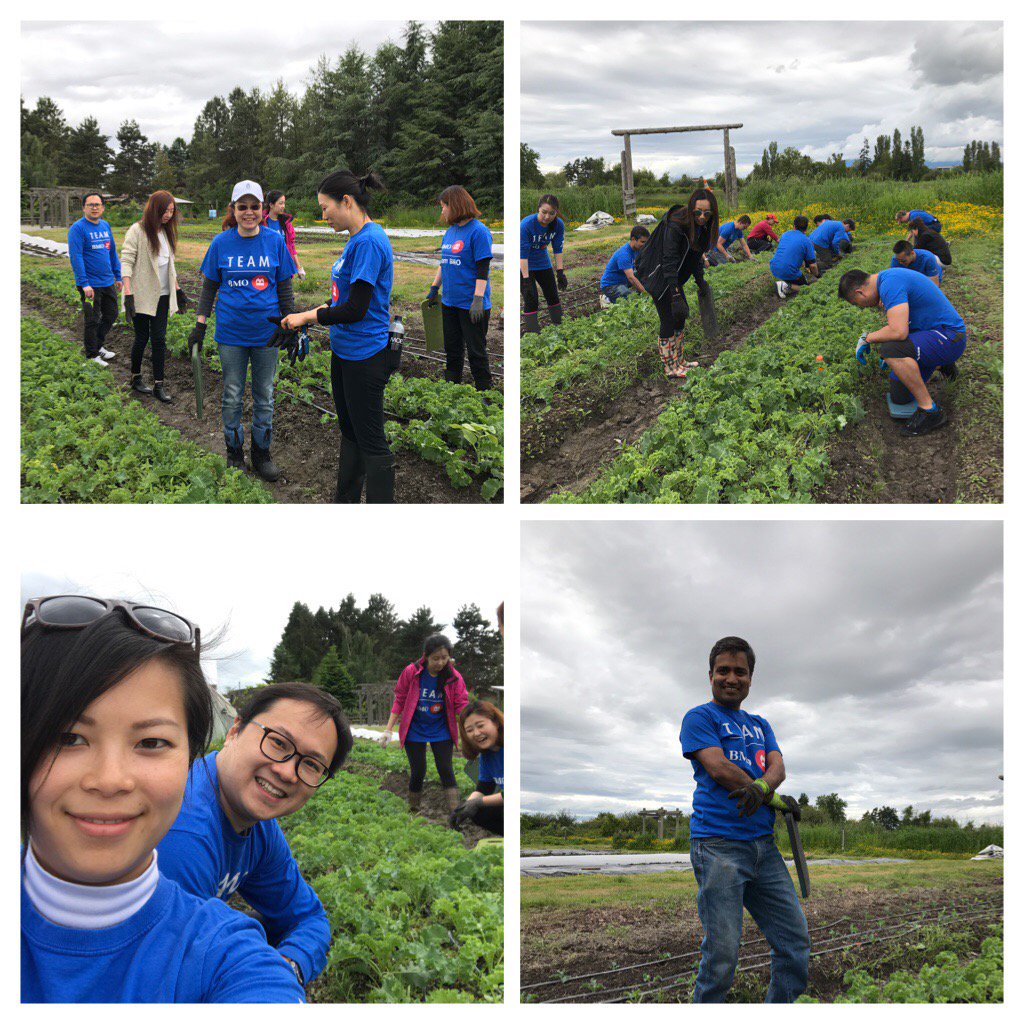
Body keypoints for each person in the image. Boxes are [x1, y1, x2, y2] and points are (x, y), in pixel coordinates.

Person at [21, 595, 304, 1003]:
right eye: (69, 738)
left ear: (190, 759)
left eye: (151, 742)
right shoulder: (192, 840)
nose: (110, 780)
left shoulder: (228, 959)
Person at [157, 682, 351, 992]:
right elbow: (171, 980)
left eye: (311, 765)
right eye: (278, 743)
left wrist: (289, 967)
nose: (287, 772)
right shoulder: (184, 831)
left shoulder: (258, 826)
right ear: (235, 731)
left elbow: (308, 918)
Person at [680, 636, 809, 1004]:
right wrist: (768, 793)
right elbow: (718, 767)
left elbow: (778, 767)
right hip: (718, 847)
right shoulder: (699, 717)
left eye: (740, 671)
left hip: (763, 848)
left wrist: (762, 789)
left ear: (750, 678)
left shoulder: (760, 724)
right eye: (723, 670)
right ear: (710, 675)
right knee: (722, 957)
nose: (731, 678)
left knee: (794, 943)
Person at [280, 170, 396, 503]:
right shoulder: (356, 239)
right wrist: (308, 315)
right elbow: (341, 300)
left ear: (346, 201)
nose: (323, 215)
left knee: (371, 441)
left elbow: (356, 309)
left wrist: (308, 316)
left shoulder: (370, 242)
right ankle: (344, 503)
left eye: (325, 207)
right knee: (350, 432)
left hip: (365, 356)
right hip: (345, 353)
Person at [189, 180, 296, 480]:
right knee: (232, 394)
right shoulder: (221, 243)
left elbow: (284, 287)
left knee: (265, 395)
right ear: (233, 210)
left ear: (263, 209)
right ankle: (234, 452)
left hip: (267, 335)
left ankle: (262, 454)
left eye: (254, 206)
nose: (249, 212)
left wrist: (291, 323)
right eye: (242, 207)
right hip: (231, 334)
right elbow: (209, 288)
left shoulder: (274, 241)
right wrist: (200, 325)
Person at [839, 267, 967, 435]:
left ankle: (930, 412)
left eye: (857, 303)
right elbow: (902, 325)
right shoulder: (887, 282)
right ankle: (942, 364)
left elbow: (898, 331)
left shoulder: (890, 283)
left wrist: (867, 338)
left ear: (860, 292)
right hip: (932, 334)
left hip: (949, 336)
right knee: (900, 396)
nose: (862, 307)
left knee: (891, 349)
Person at [379, 634, 470, 818]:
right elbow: (400, 700)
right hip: (415, 729)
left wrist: (472, 727)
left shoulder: (453, 677)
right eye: (435, 658)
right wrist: (388, 729)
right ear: (426, 656)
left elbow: (461, 703)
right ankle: (414, 810)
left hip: (441, 729)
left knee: (445, 769)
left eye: (444, 658)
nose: (440, 663)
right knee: (418, 770)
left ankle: (456, 814)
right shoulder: (411, 672)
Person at [634, 189, 717, 379]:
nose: (702, 217)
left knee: (680, 315)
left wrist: (701, 281)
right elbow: (669, 259)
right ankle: (670, 368)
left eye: (706, 213)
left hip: (674, 276)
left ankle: (679, 361)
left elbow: (695, 257)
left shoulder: (703, 228)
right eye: (698, 212)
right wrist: (675, 292)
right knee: (669, 319)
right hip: (660, 274)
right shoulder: (676, 224)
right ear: (691, 208)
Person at [120, 190, 189, 402]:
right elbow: (127, 261)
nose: (168, 215)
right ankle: (136, 377)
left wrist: (177, 289)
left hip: (163, 295)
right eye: (164, 211)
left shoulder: (166, 232)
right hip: (141, 294)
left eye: (171, 211)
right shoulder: (137, 230)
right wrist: (128, 293)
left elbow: (169, 265)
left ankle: (159, 385)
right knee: (142, 337)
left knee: (159, 339)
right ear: (154, 209)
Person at [426, 185, 494, 390]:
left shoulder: (479, 232)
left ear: (454, 205)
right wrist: (434, 288)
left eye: (444, 206)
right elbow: (445, 262)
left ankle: (485, 391)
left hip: (471, 304)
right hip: (450, 302)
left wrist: (478, 299)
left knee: (476, 351)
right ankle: (452, 387)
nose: (442, 211)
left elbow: (482, 269)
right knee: (452, 349)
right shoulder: (450, 232)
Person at [67, 192, 122, 366]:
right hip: (90, 285)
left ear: (103, 207)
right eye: (90, 205)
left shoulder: (105, 226)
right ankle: (91, 355)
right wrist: (84, 283)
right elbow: (76, 257)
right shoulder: (77, 228)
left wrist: (118, 275)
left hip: (107, 281)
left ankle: (98, 346)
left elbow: (112, 252)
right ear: (84, 207)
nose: (94, 207)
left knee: (111, 314)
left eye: (97, 204)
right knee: (92, 320)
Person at [450, 701, 504, 836]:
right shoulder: (487, 755)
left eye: (480, 726)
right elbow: (483, 788)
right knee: (476, 812)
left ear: (496, 723)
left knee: (479, 806)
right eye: (469, 730)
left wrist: (478, 802)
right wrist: (462, 808)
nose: (476, 733)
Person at [520, 194, 566, 333]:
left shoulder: (558, 225)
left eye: (552, 213)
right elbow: (522, 254)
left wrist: (560, 272)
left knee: (552, 294)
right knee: (531, 298)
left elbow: (558, 249)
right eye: (544, 212)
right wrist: (526, 280)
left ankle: (560, 327)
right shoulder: (526, 224)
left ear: (556, 212)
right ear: (538, 209)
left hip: (543, 262)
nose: (547, 217)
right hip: (524, 264)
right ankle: (533, 334)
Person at [769, 216, 819, 298]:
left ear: (794, 226)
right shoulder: (807, 241)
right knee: (805, 287)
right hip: (787, 270)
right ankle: (784, 285)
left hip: (774, 267)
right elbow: (813, 265)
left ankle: (785, 287)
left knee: (799, 278)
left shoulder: (785, 234)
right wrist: (816, 275)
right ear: (806, 228)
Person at [599, 225, 650, 304]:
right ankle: (607, 299)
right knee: (631, 299)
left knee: (643, 275)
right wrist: (646, 294)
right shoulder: (624, 254)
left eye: (646, 242)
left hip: (623, 280)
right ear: (633, 239)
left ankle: (615, 298)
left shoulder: (637, 249)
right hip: (610, 285)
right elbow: (631, 278)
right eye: (642, 242)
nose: (645, 245)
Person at [262, 191, 305, 280]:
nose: (283, 206)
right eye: (280, 203)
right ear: (271, 205)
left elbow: (291, 247)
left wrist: (299, 267)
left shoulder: (286, 223)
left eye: (284, 203)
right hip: (268, 267)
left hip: (284, 267)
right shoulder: (262, 223)